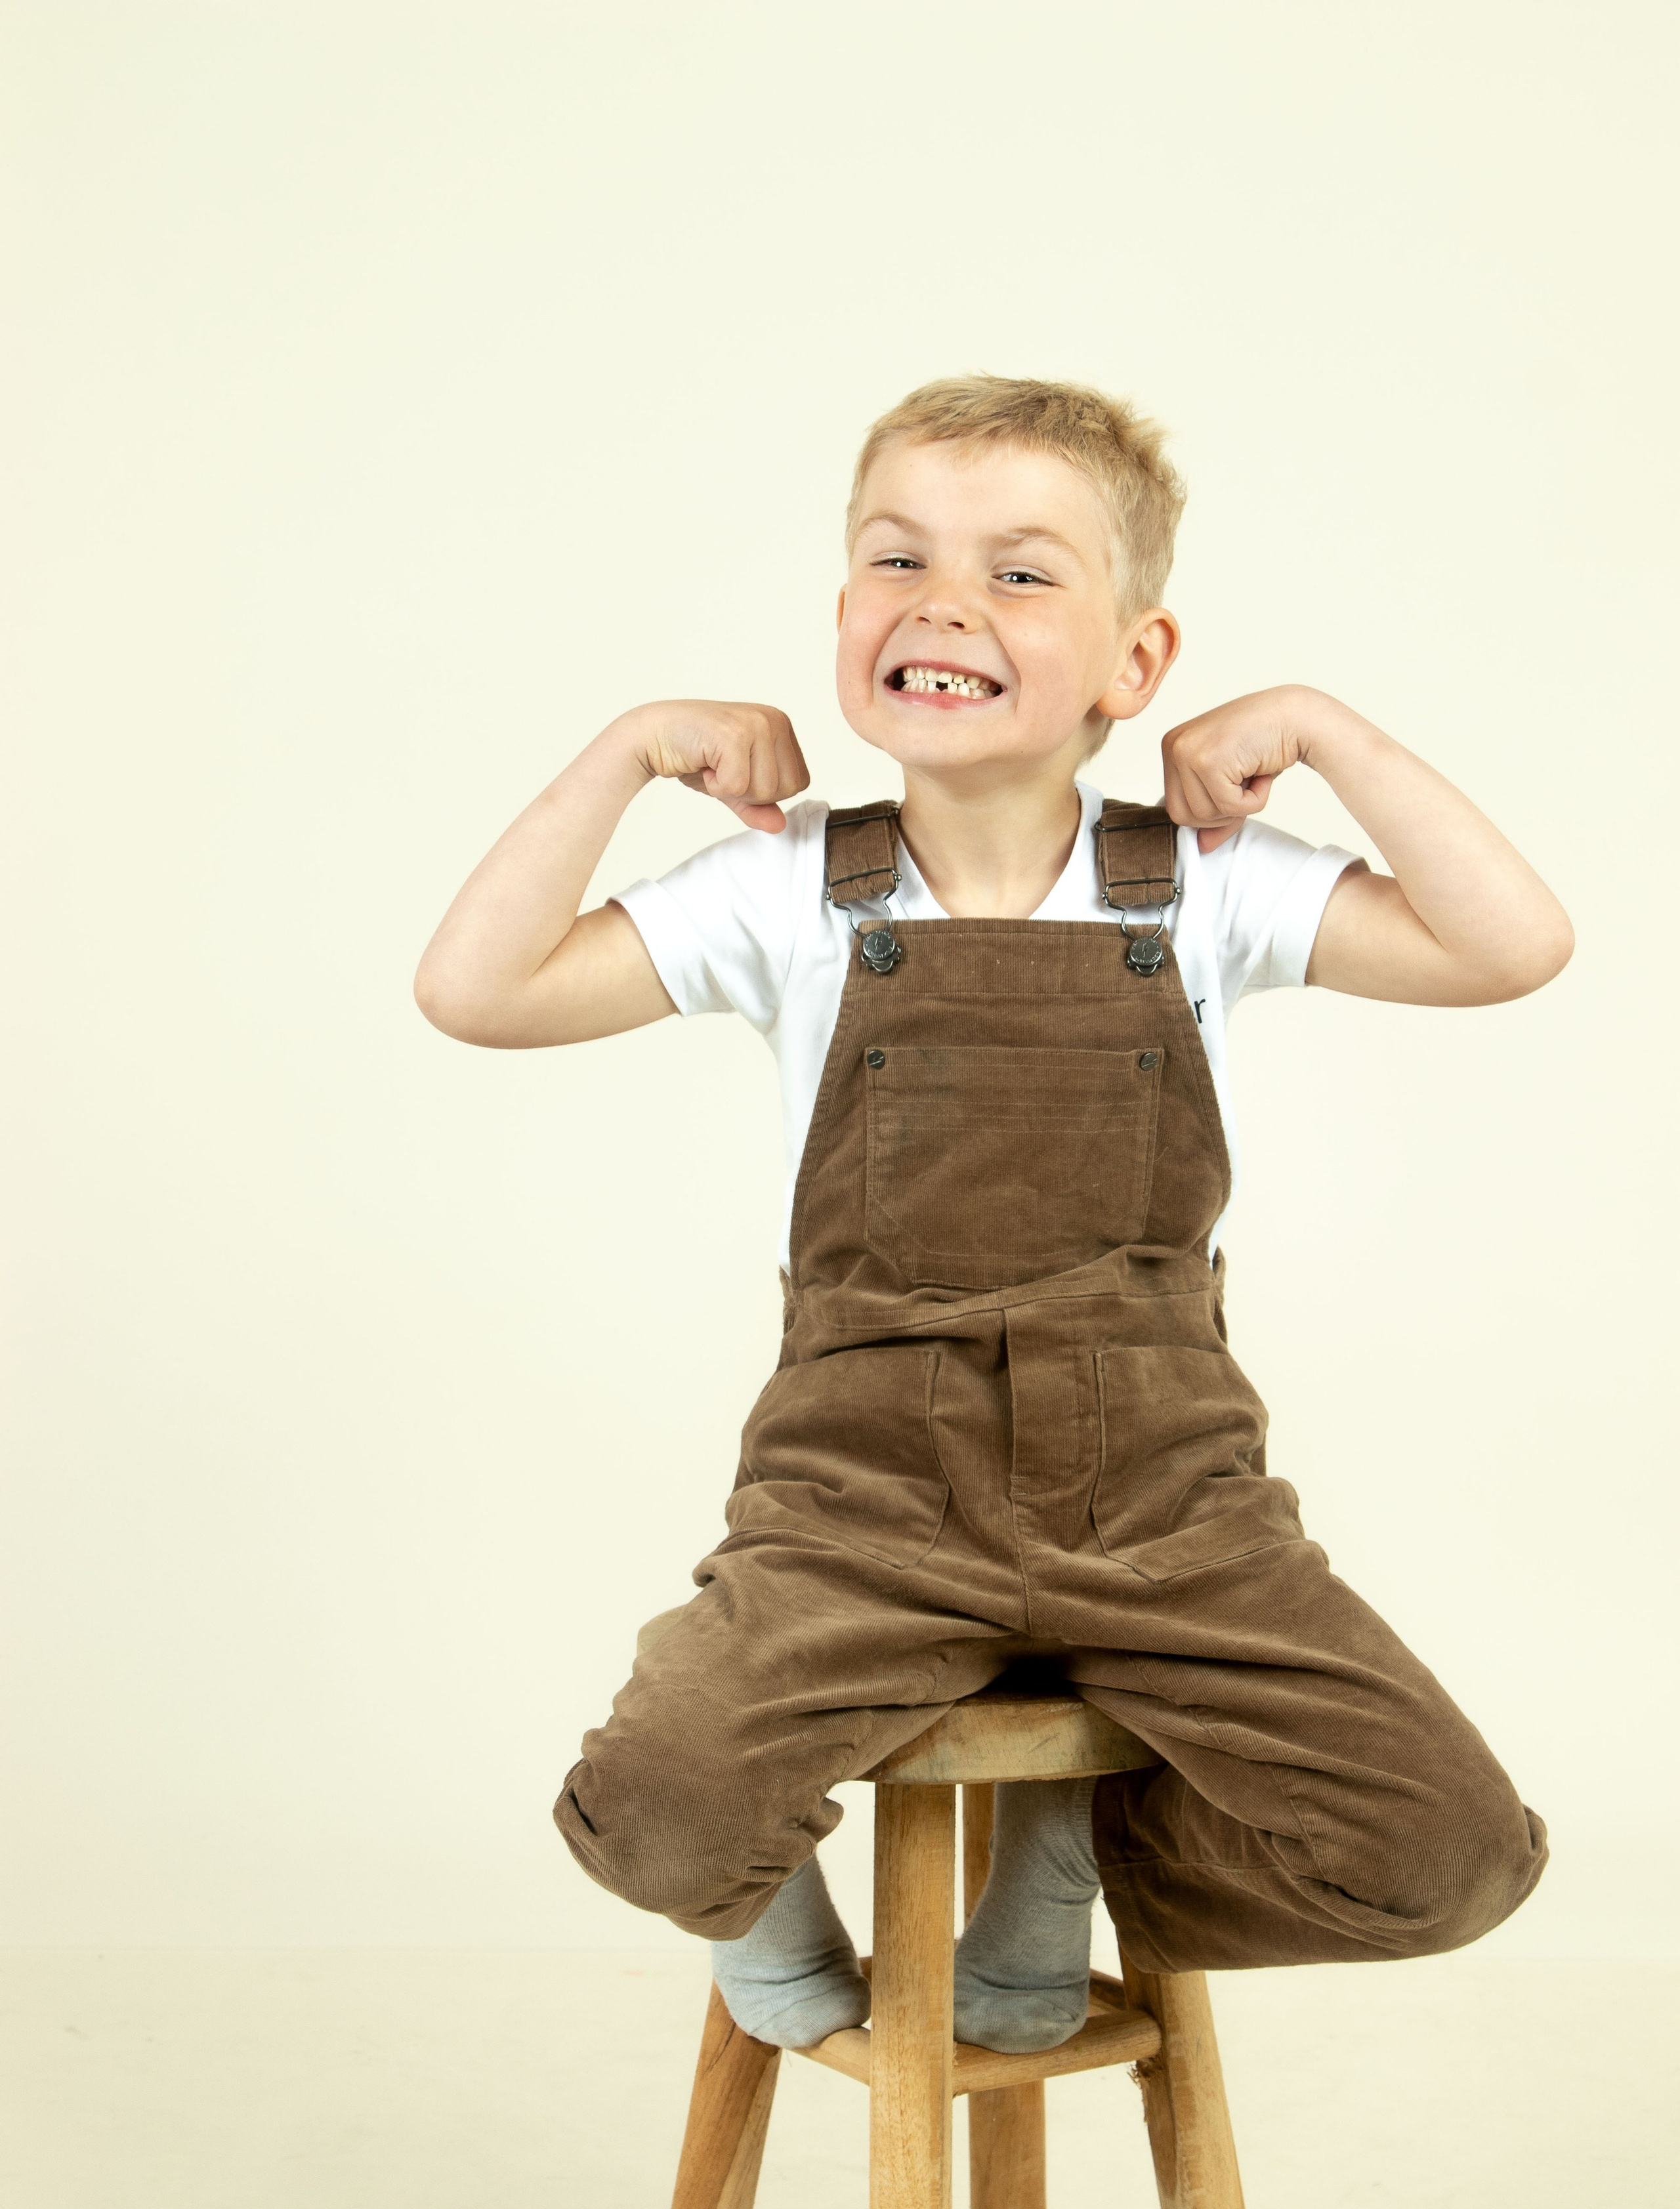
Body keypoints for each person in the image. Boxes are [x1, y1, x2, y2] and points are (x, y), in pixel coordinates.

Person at [415, 375, 1568, 2055]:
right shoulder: (794, 886)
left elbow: (1507, 945)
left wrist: (1326, 730)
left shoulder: (1202, 881)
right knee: (652, 1815)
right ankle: (759, 1902)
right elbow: (477, 989)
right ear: (844, 618)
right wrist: (623, 755)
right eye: (897, 561)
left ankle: (1077, 1858)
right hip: (862, 1497)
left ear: (1135, 665)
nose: (944, 602)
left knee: (1445, 1859)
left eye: (1019, 573)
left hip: (1169, 1505)